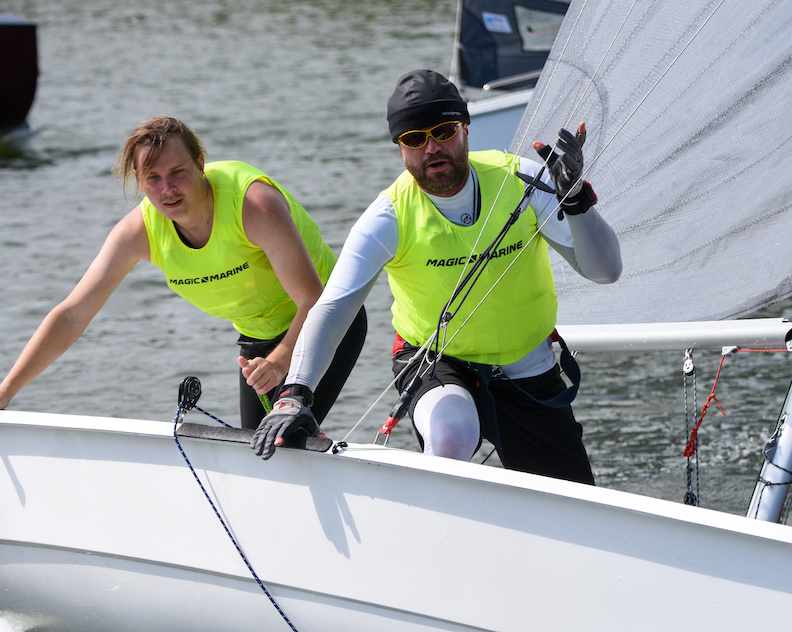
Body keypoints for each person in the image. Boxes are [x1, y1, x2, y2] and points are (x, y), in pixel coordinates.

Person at [252, 70, 621, 484]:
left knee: (570, 497)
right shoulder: (389, 215)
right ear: (400, 148)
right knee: (451, 435)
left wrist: (577, 202)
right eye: (414, 138)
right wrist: (295, 393)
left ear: (466, 128)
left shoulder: (523, 180)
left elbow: (605, 271)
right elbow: (335, 306)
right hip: (434, 361)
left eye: (444, 131)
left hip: (526, 365)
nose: (432, 148)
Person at [0, 116, 366, 430]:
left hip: (328, 320)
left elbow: (312, 299)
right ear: (137, 179)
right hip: (258, 341)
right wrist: (5, 393)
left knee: (286, 440)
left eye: (178, 172)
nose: (167, 189)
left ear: (200, 164)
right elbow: (72, 316)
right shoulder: (137, 233)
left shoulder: (254, 205)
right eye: (153, 178)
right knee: (260, 453)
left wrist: (280, 360)